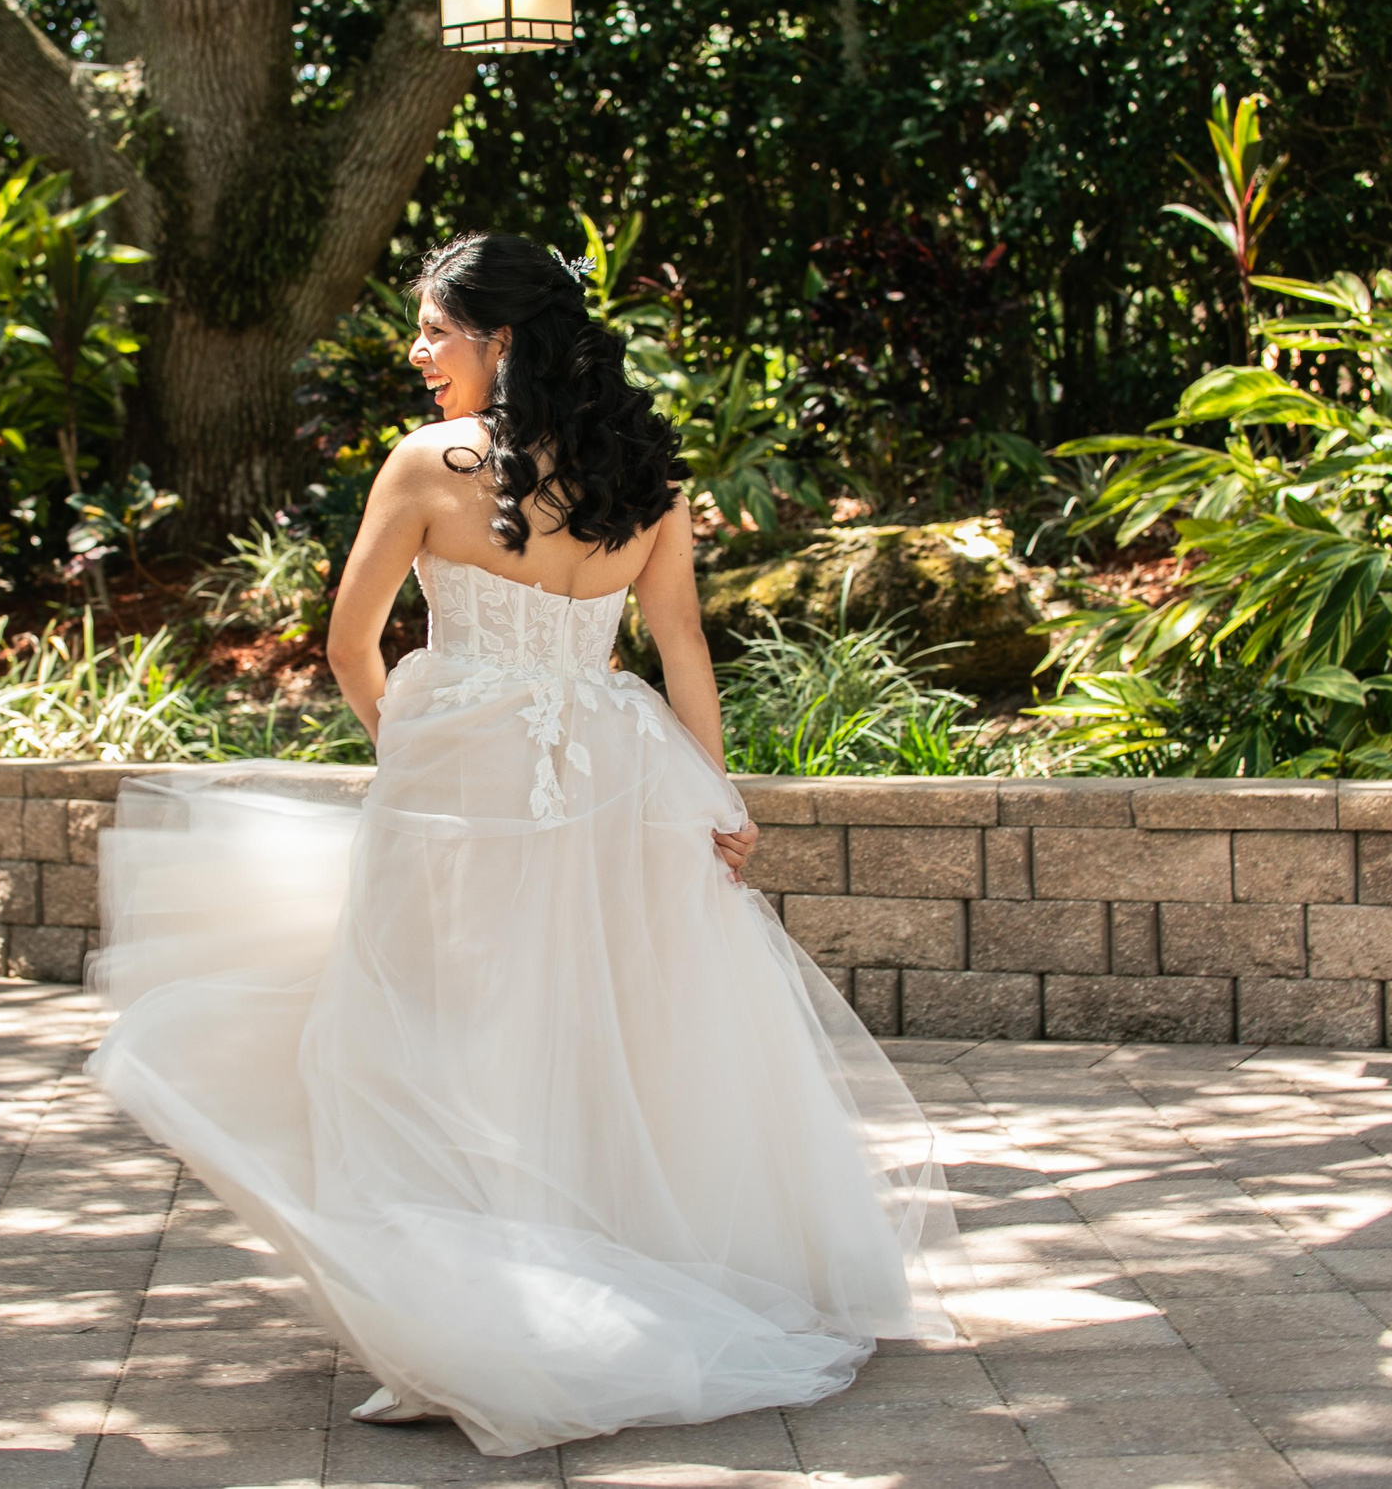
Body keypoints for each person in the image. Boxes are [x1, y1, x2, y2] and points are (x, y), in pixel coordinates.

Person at [87, 232, 963, 1458]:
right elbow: (682, 652)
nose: (417, 351)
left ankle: (482, 1316)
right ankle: (595, 1273)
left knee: (438, 1024)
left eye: (435, 328)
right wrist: (715, 798)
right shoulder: (642, 472)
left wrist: (416, 741)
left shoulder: (423, 465)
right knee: (598, 1021)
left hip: (464, 772)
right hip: (617, 769)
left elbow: (349, 643)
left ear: (499, 340)